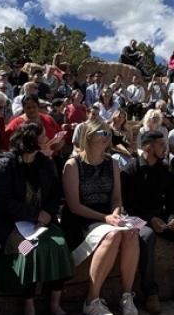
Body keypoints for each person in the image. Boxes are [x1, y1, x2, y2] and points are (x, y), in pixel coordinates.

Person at [0, 123, 73, 315]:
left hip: (42, 223)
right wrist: (34, 214)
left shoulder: (45, 162)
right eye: (42, 136)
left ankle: (55, 302)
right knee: (29, 250)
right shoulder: (5, 165)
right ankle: (28, 302)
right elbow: (4, 202)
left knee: (59, 245)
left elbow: (54, 195)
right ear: (31, 140)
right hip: (11, 224)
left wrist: (46, 215)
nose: (46, 139)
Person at [60, 118, 140, 315]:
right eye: (102, 133)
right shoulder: (73, 165)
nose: (107, 137)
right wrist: (106, 219)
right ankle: (92, 299)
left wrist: (115, 213)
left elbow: (116, 198)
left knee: (131, 233)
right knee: (113, 235)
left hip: (107, 216)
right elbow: (74, 205)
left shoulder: (111, 162)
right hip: (81, 220)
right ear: (89, 136)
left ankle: (127, 295)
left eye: (108, 133)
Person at [123, 130, 174, 312]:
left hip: (161, 217)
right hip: (136, 218)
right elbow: (127, 207)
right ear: (148, 147)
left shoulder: (164, 169)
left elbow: (172, 202)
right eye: (161, 145)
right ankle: (150, 292)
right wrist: (149, 219)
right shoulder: (131, 169)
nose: (165, 148)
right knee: (147, 236)